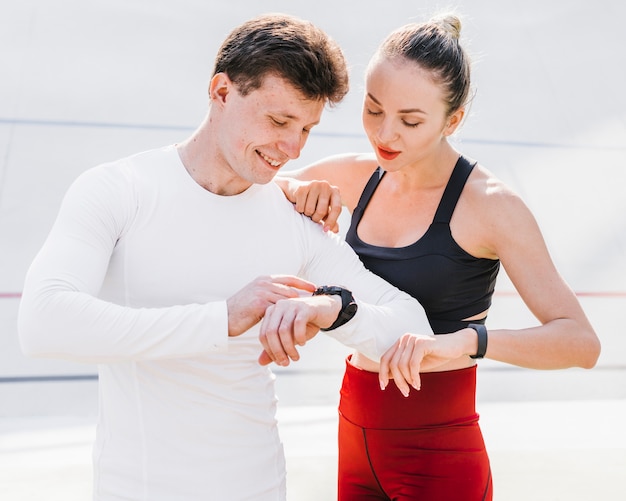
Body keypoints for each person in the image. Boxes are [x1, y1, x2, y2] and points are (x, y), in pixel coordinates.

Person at [17, 14, 432, 501]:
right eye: (279, 121)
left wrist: (334, 309)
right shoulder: (118, 190)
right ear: (221, 92)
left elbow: (413, 326)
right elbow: (43, 322)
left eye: (306, 129)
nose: (292, 148)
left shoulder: (295, 219)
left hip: (259, 487)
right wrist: (222, 319)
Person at [277, 13, 601, 500]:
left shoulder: (492, 206)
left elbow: (580, 343)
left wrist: (465, 342)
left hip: (438, 455)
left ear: (453, 120)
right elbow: (254, 193)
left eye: (410, 121)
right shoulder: (355, 175)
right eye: (372, 109)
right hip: (354, 437)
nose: (386, 134)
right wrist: (299, 188)